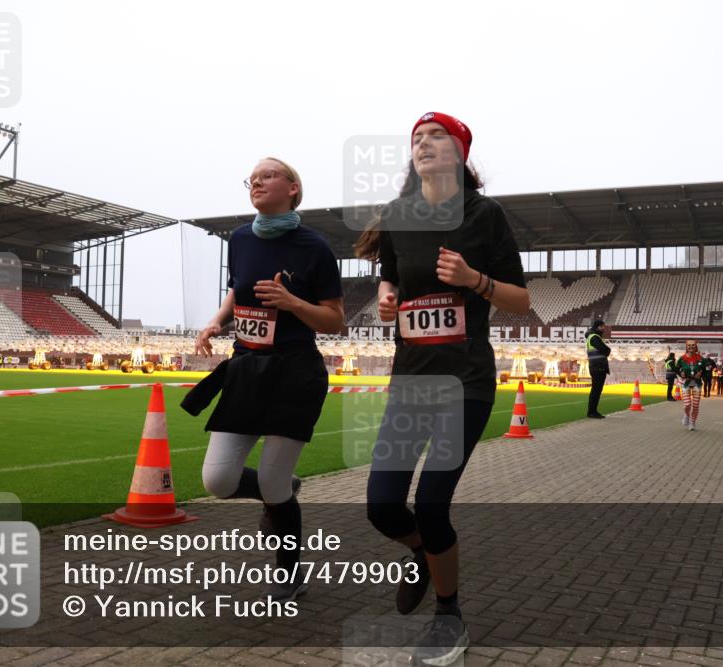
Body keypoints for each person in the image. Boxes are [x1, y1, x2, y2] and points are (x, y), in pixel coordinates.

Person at [355, 111, 529, 665]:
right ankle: (420, 557)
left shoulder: (486, 215)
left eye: (436, 136)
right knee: (383, 506)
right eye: (416, 139)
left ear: (460, 151)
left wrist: (475, 280)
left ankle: (449, 613)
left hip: (466, 384)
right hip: (409, 384)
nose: (424, 144)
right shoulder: (399, 217)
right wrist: (387, 296)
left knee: (431, 505)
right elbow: (390, 273)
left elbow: (521, 301)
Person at [187, 157, 343, 603]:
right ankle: (285, 489)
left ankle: (289, 573)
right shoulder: (238, 239)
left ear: (293, 187)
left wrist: (292, 302)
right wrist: (217, 320)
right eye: (251, 178)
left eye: (268, 174)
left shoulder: (314, 247)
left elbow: (334, 320)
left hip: (295, 373)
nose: (256, 181)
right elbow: (239, 287)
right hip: (246, 370)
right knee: (218, 481)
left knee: (272, 485)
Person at [676, 340, 705, 431]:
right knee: (687, 405)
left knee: (695, 405)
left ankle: (692, 423)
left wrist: (701, 373)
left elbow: (706, 370)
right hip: (686, 384)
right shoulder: (681, 358)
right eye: (689, 345)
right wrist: (681, 374)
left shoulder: (700, 358)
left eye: (693, 345)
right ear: (686, 346)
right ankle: (686, 415)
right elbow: (677, 370)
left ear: (696, 346)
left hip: (697, 383)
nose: (691, 347)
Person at [585, 319, 611, 418]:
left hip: (596, 366)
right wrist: (608, 350)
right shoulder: (595, 337)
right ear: (598, 327)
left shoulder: (592, 336)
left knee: (596, 390)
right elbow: (605, 349)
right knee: (596, 390)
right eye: (602, 326)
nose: (603, 328)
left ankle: (592, 411)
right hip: (598, 367)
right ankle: (592, 412)